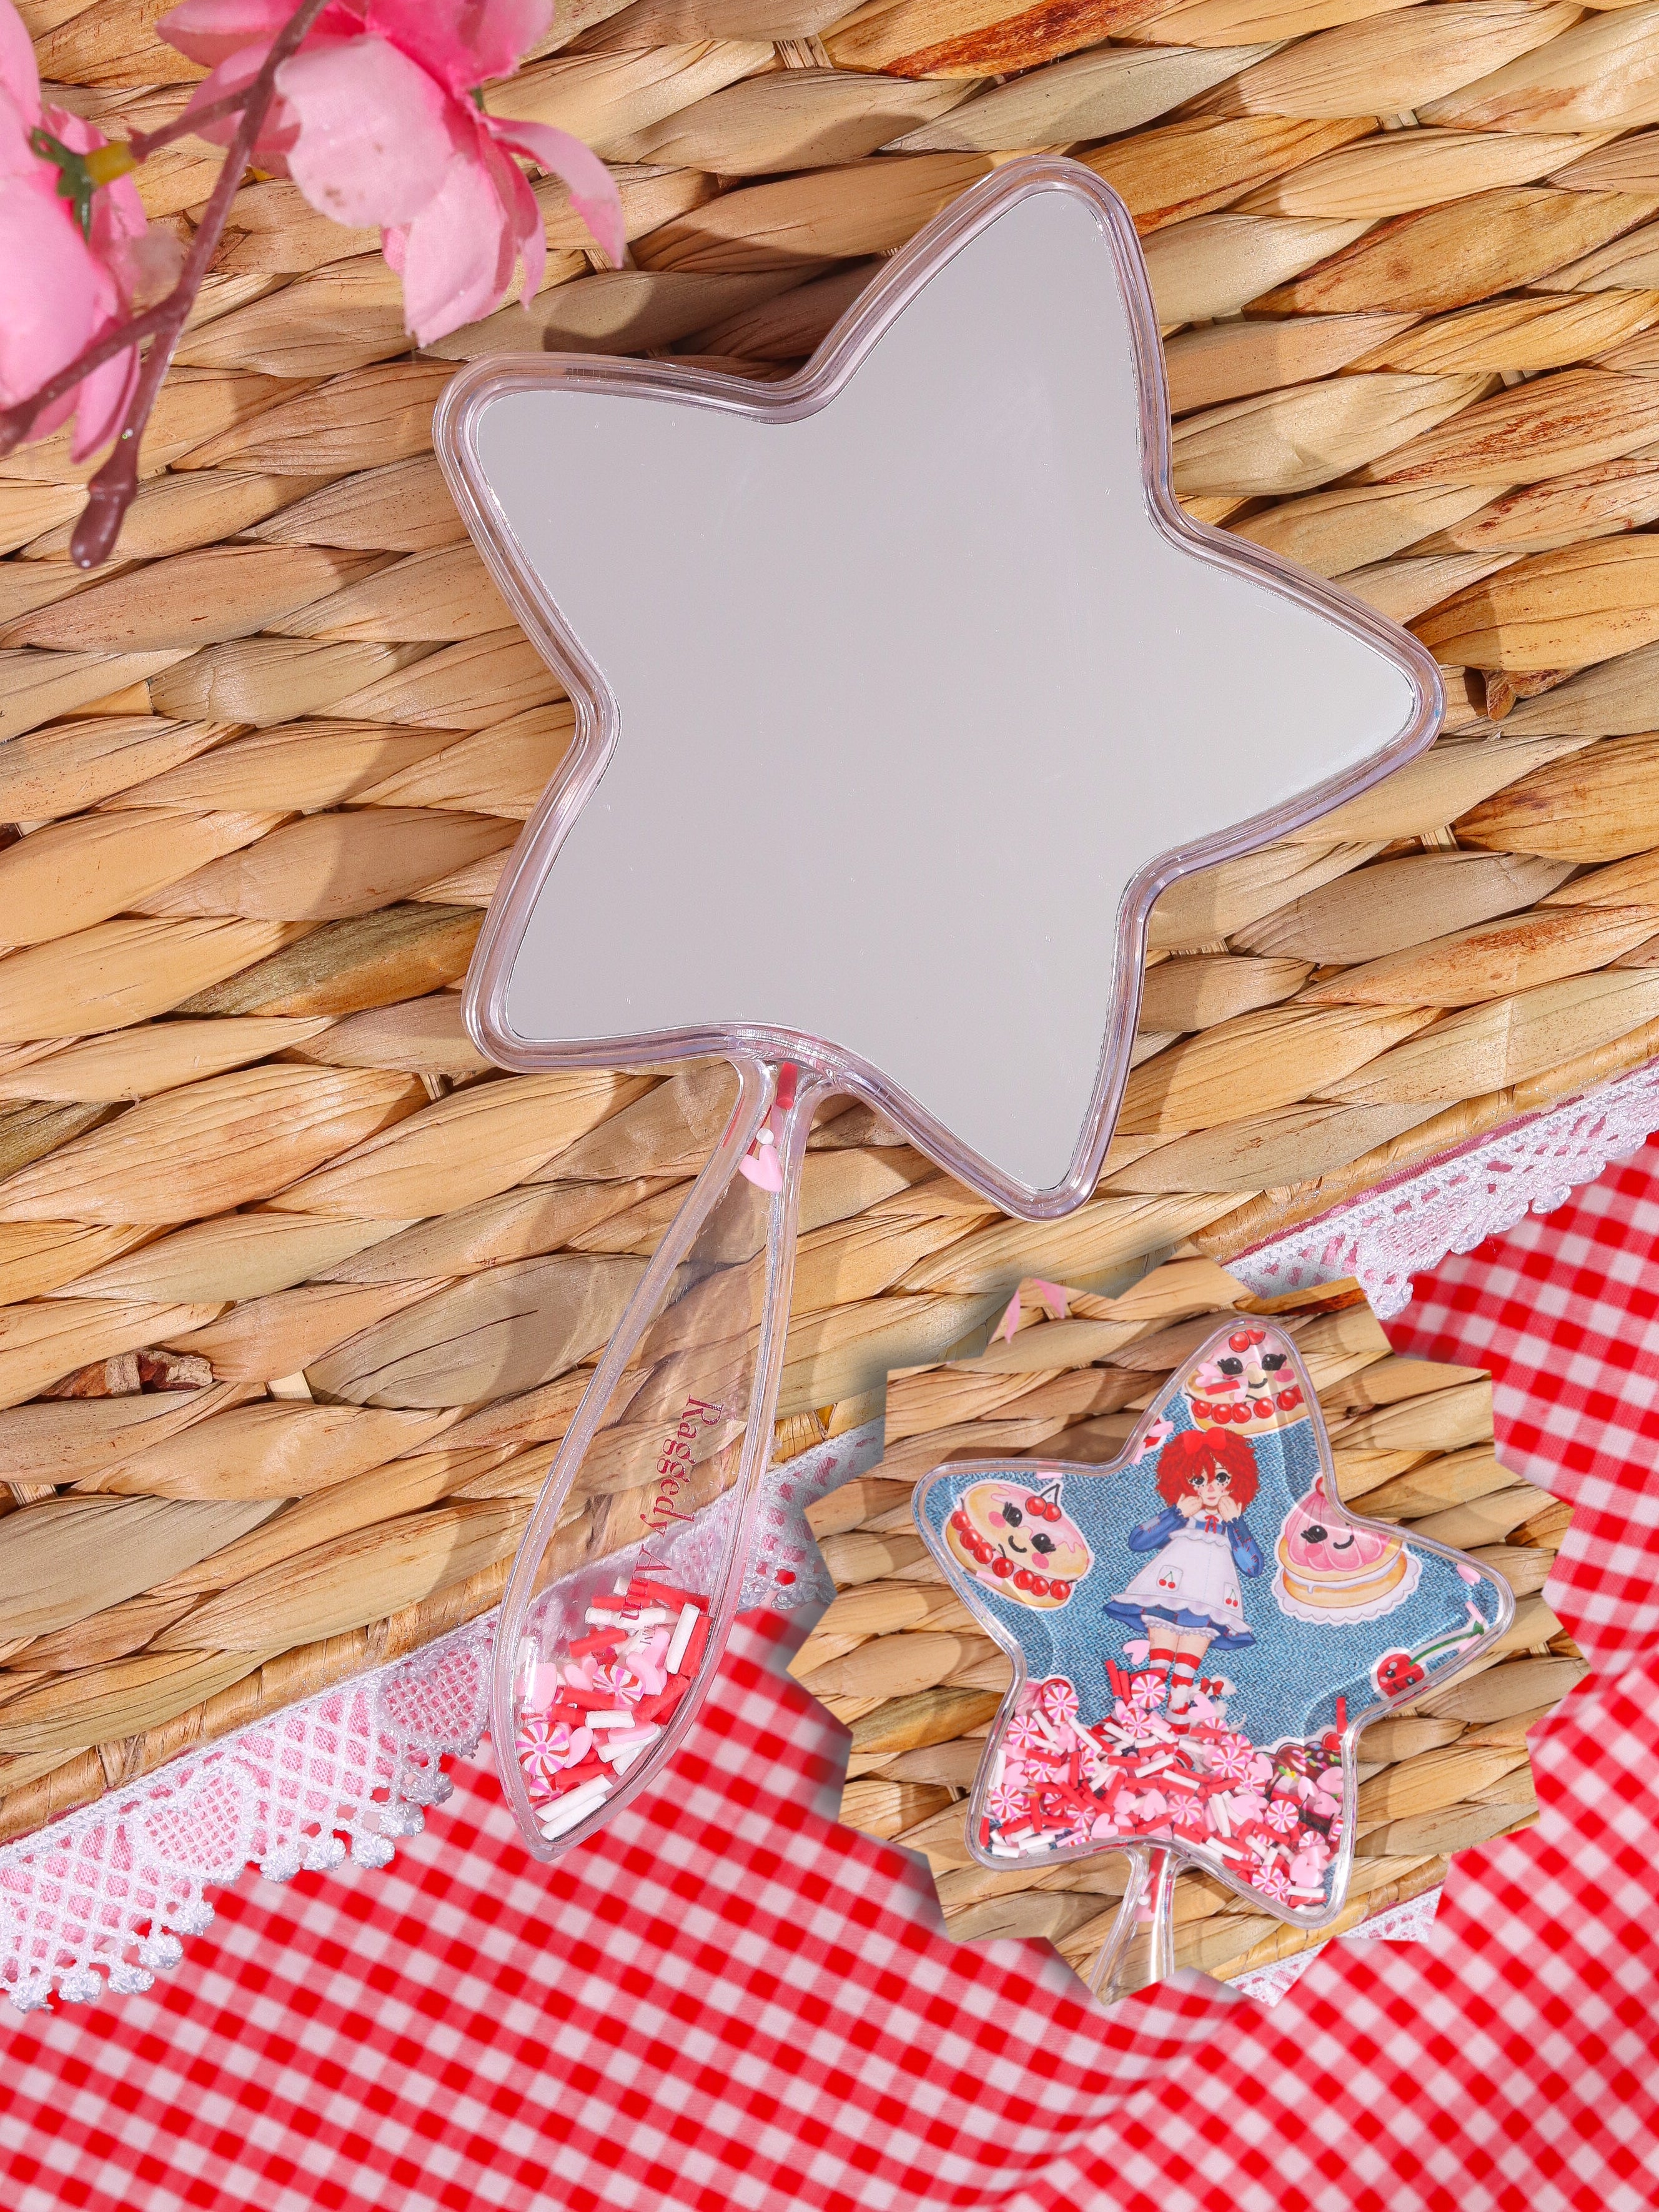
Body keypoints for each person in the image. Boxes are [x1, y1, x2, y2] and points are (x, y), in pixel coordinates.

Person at [1104, 1427, 1264, 1728]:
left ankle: (1176, 1728)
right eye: (1198, 1479)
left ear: (1237, 1479)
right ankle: (1137, 1722)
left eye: (1222, 1477)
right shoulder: (1181, 1514)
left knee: (1185, 1673)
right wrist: (1175, 1514)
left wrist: (1237, 1523)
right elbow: (1138, 1541)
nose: (1211, 1488)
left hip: (1211, 1597)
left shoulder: (1231, 1524)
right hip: (1169, 1589)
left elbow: (1253, 1566)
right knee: (1159, 1665)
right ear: (1184, 1481)